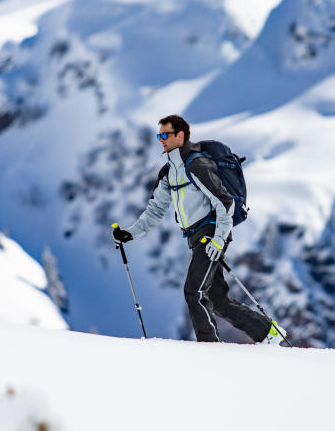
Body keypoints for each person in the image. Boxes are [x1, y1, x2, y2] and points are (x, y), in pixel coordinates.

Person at [113, 114, 273, 343]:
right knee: (217, 299)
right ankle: (269, 333)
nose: (161, 140)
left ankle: (209, 348)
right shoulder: (169, 171)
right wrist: (130, 233)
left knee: (194, 291)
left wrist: (219, 239)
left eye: (165, 135)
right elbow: (155, 210)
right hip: (198, 237)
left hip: (211, 234)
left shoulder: (197, 164)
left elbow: (224, 202)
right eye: (159, 135)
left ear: (180, 135)